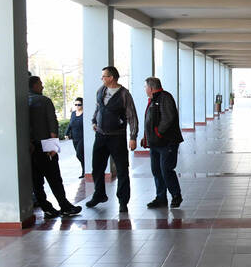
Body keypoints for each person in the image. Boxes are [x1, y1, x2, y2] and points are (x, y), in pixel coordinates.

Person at [85, 66, 138, 213]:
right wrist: (94, 121)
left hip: (117, 137)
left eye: (104, 76)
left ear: (111, 78)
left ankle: (123, 201)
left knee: (122, 170)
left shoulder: (124, 94)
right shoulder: (100, 91)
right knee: (97, 167)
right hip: (100, 136)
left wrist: (133, 137)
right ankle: (99, 194)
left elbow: (132, 116)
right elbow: (98, 108)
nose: (102, 78)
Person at [28, 76, 82, 218]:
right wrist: (53, 147)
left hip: (30, 147)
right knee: (54, 177)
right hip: (46, 144)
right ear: (34, 85)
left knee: (36, 181)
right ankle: (64, 206)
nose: (43, 86)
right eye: (40, 83)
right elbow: (52, 123)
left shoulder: (23, 102)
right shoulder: (44, 101)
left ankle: (47, 208)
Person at [140, 77, 184, 209]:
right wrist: (146, 137)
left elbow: (168, 118)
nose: (144, 89)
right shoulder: (152, 99)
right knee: (156, 170)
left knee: (166, 170)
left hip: (167, 142)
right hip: (155, 143)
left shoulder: (165, 98)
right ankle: (161, 198)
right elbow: (150, 121)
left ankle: (176, 195)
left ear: (151, 88)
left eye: (145, 87)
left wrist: (158, 133)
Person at [64, 97, 85, 178]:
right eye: (75, 104)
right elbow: (70, 124)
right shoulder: (73, 113)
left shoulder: (85, 113)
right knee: (81, 155)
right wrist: (66, 133)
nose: (77, 106)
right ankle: (84, 170)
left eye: (79, 104)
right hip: (74, 137)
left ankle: (85, 170)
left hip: (82, 137)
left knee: (79, 154)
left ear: (83, 105)